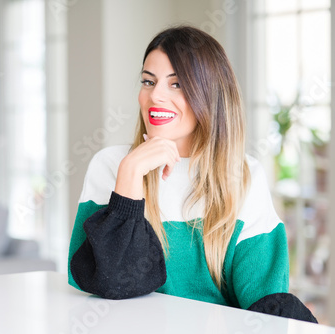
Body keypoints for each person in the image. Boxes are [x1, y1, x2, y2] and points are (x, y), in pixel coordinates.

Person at [67, 25, 317, 323]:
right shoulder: (112, 165)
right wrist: (131, 174)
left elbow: (265, 302)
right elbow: (112, 284)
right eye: (148, 81)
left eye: (177, 84)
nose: (155, 95)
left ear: (209, 94)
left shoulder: (244, 174)